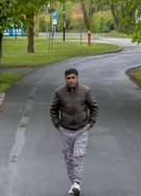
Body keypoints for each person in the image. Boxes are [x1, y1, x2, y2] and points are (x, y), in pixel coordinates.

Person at [50, 68, 98, 196]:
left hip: (82, 129)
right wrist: (58, 125)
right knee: (69, 158)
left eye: (73, 78)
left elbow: (94, 107)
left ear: (77, 78)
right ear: (65, 79)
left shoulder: (85, 91)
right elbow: (53, 109)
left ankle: (77, 181)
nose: (71, 80)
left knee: (78, 156)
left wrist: (90, 123)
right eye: (68, 78)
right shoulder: (59, 92)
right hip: (65, 130)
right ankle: (74, 184)